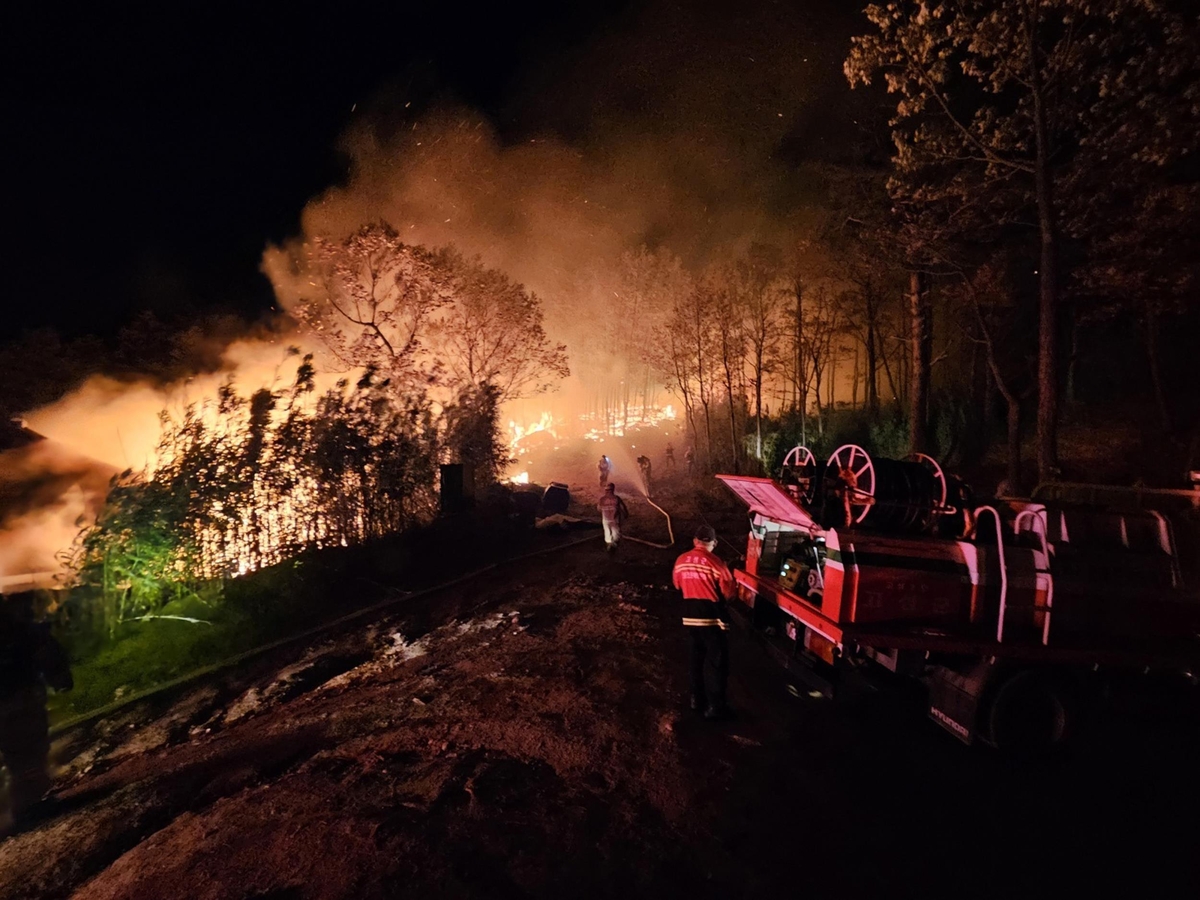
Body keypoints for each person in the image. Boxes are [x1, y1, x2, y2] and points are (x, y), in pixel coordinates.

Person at [0, 597, 73, 830]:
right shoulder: (17, 624)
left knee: (24, 757)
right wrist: (60, 677)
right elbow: (43, 648)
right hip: (17, 700)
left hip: (16, 699)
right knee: (26, 757)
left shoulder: (18, 624)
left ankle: (25, 808)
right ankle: (28, 810)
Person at [672, 525, 736, 719]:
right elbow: (729, 592)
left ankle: (696, 700)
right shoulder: (716, 563)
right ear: (713, 543)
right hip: (712, 618)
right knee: (717, 663)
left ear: (695, 541)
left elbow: (677, 584)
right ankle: (716, 708)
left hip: (690, 617)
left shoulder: (681, 560)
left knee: (695, 660)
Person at [597, 482, 629, 552]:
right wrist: (626, 515)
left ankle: (609, 547)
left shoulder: (602, 499)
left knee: (607, 534)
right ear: (613, 489)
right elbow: (623, 508)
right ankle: (614, 549)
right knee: (616, 535)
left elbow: (599, 509)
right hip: (615, 520)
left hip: (605, 520)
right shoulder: (616, 498)